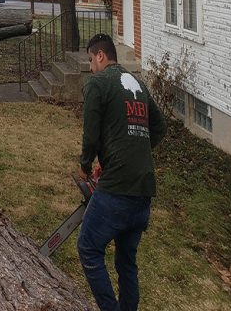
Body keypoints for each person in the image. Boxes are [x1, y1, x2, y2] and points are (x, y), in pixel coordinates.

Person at [77, 33, 167, 311]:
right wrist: (134, 152)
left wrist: (85, 165)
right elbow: (160, 127)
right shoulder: (138, 84)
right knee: (126, 262)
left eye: (91, 60)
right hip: (143, 191)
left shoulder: (98, 83)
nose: (91, 66)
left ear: (101, 56)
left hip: (117, 189)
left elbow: (90, 134)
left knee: (89, 248)